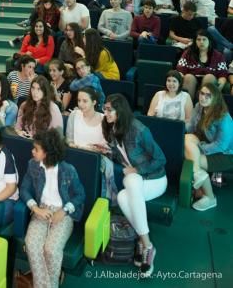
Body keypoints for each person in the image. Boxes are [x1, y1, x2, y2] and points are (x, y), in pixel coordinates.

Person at [102, 94, 167, 278]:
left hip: (155, 179)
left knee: (130, 181)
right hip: (137, 182)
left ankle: (145, 244)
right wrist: (105, 152)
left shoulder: (139, 130)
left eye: (109, 110)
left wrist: (137, 169)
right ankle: (146, 243)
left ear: (120, 111)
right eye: (105, 109)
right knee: (123, 197)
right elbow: (120, 156)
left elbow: (161, 159)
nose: (105, 113)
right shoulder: (111, 127)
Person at [21, 129, 85, 288]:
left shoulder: (68, 170)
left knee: (51, 249)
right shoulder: (33, 165)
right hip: (41, 210)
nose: (32, 151)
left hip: (63, 213)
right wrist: (35, 208)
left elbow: (80, 195)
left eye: (36, 149)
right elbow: (24, 189)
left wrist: (63, 211)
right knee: (31, 244)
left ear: (47, 152)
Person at [184, 82, 233, 211]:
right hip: (207, 145)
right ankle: (199, 178)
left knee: (192, 160)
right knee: (187, 139)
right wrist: (176, 126)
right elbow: (190, 127)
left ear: (215, 98)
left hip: (226, 154)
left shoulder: (223, 117)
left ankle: (210, 197)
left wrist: (200, 149)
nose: (203, 97)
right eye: (202, 93)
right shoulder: (199, 107)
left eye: (208, 95)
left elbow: (221, 146)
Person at [176, 30, 228, 99]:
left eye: (204, 39)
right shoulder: (188, 53)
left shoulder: (218, 56)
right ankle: (188, 106)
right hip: (191, 82)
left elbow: (223, 76)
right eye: (199, 39)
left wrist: (218, 89)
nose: (201, 42)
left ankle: (205, 107)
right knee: (188, 77)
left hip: (210, 83)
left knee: (209, 77)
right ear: (195, 41)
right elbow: (180, 71)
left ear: (209, 41)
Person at [66, 86, 106, 150]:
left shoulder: (104, 119)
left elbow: (107, 146)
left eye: (85, 101)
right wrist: (71, 144)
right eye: (79, 100)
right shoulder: (74, 115)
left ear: (94, 102)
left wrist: (98, 149)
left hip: (96, 156)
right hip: (77, 154)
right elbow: (69, 139)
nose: (80, 104)